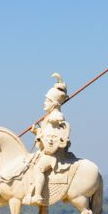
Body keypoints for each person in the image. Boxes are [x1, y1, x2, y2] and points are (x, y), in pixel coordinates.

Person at [25, 74, 70, 205]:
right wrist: (37, 132)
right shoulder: (49, 117)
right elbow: (45, 135)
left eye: (47, 101)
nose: (44, 103)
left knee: (38, 168)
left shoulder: (56, 116)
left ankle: (38, 195)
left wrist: (52, 122)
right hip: (45, 151)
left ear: (55, 103)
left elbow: (51, 139)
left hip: (52, 154)